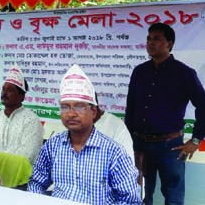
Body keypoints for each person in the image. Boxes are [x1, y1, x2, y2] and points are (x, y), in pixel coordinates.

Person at [28, 64, 141, 204]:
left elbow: (130, 201)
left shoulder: (114, 153)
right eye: (65, 107)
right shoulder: (52, 146)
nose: (71, 113)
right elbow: (36, 183)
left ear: (93, 112)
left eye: (79, 106)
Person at [125, 22, 205, 205]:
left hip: (170, 148)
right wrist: (129, 138)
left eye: (157, 39)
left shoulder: (184, 73)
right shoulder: (139, 72)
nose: (151, 43)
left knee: (173, 199)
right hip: (139, 145)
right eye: (148, 39)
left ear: (169, 44)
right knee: (137, 194)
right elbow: (130, 107)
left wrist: (196, 140)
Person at [0, 67, 43, 164]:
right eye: (3, 89)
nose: (4, 93)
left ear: (22, 96)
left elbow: (28, 155)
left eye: (10, 90)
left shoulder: (31, 120)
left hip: (20, 176)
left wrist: (0, 161)